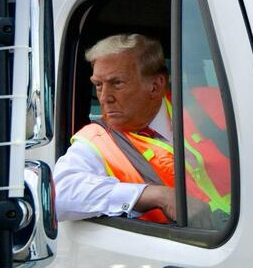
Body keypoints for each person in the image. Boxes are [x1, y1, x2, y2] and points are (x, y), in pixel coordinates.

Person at [53, 33, 230, 226]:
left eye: (117, 83)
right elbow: (57, 195)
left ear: (155, 86)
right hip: (187, 244)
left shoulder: (209, 103)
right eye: (98, 85)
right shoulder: (97, 140)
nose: (104, 98)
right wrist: (158, 195)